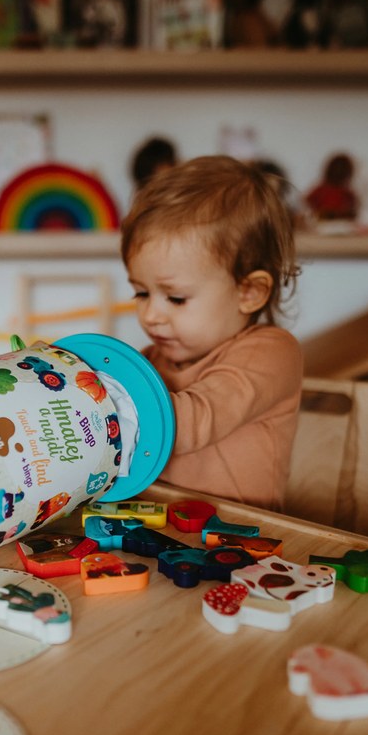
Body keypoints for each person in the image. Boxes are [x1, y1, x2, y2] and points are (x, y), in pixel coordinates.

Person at [120, 154, 302, 510]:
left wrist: (99, 405)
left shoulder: (271, 352)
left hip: (242, 537)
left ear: (248, 292)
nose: (152, 315)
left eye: (175, 297)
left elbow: (193, 420)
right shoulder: (153, 357)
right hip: (157, 526)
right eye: (141, 292)